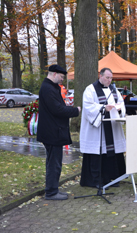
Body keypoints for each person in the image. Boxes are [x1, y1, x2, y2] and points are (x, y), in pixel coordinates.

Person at [37, 65, 81, 200]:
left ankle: (53, 189)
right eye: (61, 77)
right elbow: (57, 110)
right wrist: (76, 111)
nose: (62, 80)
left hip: (52, 131)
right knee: (54, 163)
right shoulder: (48, 89)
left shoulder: (50, 88)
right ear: (54, 74)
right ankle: (51, 192)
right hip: (52, 132)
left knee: (54, 162)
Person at [79, 68, 126, 189]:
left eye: (111, 78)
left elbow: (121, 102)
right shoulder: (90, 89)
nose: (109, 80)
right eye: (107, 77)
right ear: (100, 76)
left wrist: (120, 108)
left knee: (111, 152)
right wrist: (104, 108)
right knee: (99, 153)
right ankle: (96, 180)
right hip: (98, 129)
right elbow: (88, 107)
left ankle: (111, 178)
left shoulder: (114, 89)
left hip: (112, 127)